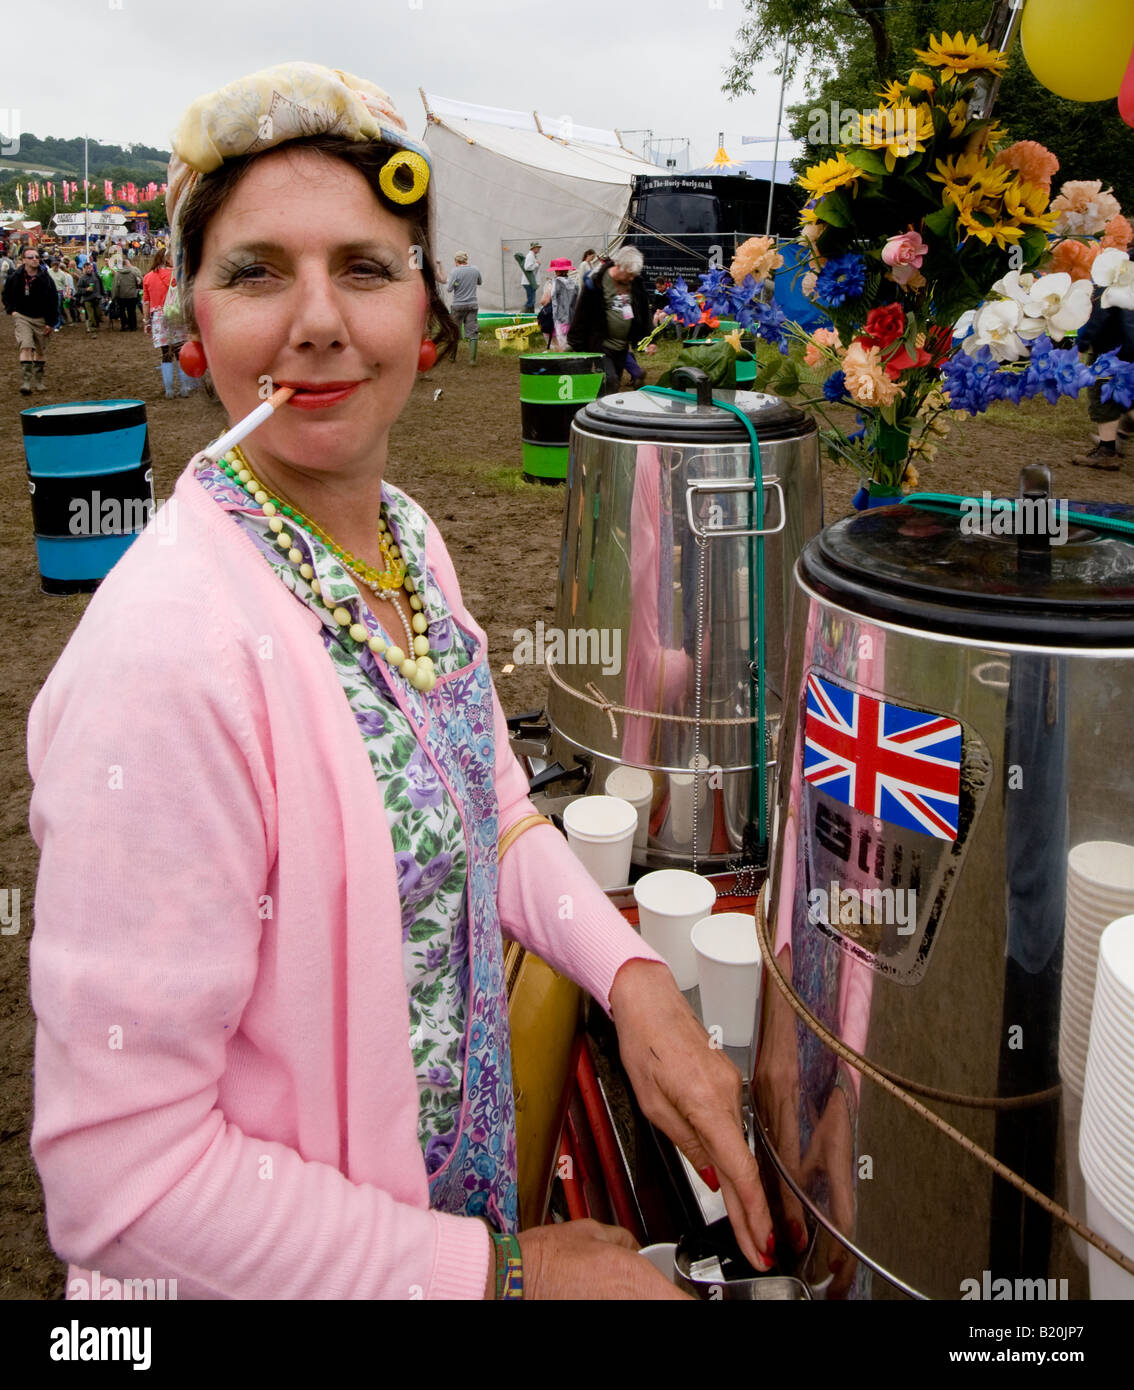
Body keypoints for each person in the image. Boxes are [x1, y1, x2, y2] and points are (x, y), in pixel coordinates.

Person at [26, 62, 772, 1303]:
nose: (319, 321)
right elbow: (124, 1181)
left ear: (426, 313)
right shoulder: (165, 656)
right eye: (257, 271)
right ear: (192, 321)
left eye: (366, 268)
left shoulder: (408, 541)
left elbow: (493, 802)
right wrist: (499, 1276)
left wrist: (632, 976)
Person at [567, 245, 656, 394]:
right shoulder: (596, 282)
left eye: (634, 275)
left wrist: (650, 339)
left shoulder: (635, 283)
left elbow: (643, 311)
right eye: (629, 274)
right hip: (601, 345)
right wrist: (576, 343)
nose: (632, 278)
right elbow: (581, 313)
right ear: (618, 266)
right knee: (610, 380)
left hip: (621, 347)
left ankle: (602, 405)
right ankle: (596, 407)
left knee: (614, 384)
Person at [1071, 287, 1134, 469]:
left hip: (1113, 350)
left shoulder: (1113, 276)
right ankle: (1117, 438)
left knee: (1103, 398)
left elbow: (1100, 314)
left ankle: (1106, 451)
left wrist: (1081, 345)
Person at [2, 243, 59, 394]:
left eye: (37, 257)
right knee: (26, 345)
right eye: (31, 257)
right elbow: (6, 295)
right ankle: (26, 382)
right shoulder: (15, 277)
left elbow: (54, 300)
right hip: (22, 316)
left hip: (41, 318)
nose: (35, 259)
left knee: (40, 350)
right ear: (24, 260)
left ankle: (39, 381)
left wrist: (51, 322)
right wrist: (12, 311)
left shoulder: (45, 278)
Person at [143, 246, 192, 396]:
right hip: (176, 315)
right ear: (167, 258)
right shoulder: (176, 275)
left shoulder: (148, 277)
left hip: (158, 317)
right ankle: (184, 388)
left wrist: (146, 321)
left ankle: (169, 390)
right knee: (179, 352)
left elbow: (146, 302)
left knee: (165, 354)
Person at [446, 251, 482, 365]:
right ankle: (472, 360)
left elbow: (449, 289)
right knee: (473, 332)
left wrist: (457, 284)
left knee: (454, 331)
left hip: (458, 306)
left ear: (456, 261)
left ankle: (452, 357)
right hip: (472, 305)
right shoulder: (475, 270)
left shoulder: (454, 271)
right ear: (466, 260)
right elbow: (479, 282)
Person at [539, 257, 578, 352]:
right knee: (569, 346)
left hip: (557, 321)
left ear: (556, 271)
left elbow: (544, 301)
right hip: (572, 320)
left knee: (559, 348)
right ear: (567, 270)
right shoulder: (574, 283)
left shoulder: (552, 283)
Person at [112, 252, 143, 330]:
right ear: (127, 264)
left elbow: (115, 286)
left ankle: (124, 325)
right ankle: (133, 326)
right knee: (131, 311)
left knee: (122, 311)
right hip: (132, 295)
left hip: (121, 295)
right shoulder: (134, 272)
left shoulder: (118, 274)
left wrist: (114, 296)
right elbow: (139, 281)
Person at [75, 261, 103, 333]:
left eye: (90, 268)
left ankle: (96, 325)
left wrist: (104, 294)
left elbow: (101, 285)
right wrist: (86, 289)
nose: (89, 269)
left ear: (92, 268)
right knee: (91, 316)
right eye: (87, 268)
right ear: (84, 269)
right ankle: (92, 329)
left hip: (97, 298)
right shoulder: (82, 278)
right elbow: (79, 289)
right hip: (88, 299)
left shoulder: (96, 275)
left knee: (98, 314)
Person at [522, 240, 541, 312]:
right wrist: (537, 264)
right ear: (533, 248)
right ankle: (522, 314)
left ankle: (531, 314)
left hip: (530, 281)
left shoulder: (533, 256)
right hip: (528, 282)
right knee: (531, 301)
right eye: (537, 247)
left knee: (532, 301)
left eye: (539, 247)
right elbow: (527, 267)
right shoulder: (530, 256)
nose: (539, 249)